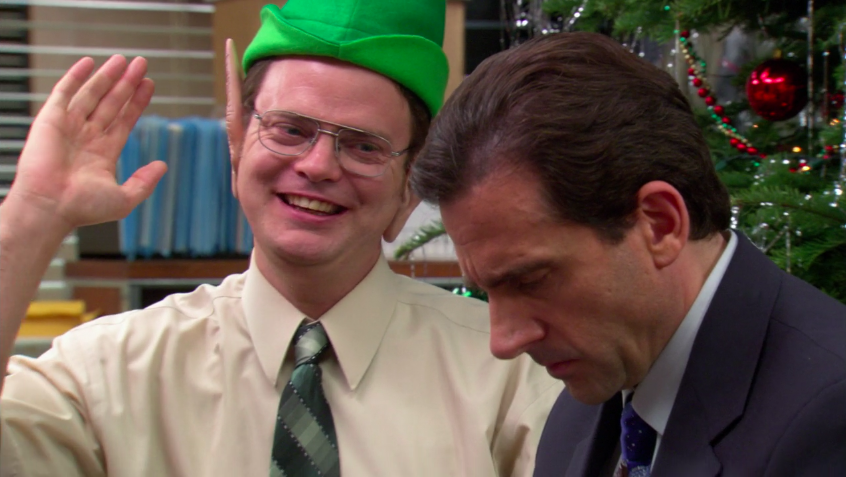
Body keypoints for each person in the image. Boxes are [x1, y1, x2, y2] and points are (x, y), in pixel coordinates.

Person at [0, 1, 562, 475]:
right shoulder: (108, 373)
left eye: (363, 146)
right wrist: (31, 217)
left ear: (409, 188)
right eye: (290, 130)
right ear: (237, 145)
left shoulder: (507, 378)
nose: (318, 166)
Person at [411, 31, 846, 476]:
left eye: (530, 280)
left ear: (660, 224)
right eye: (487, 290)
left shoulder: (828, 416)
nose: (503, 341)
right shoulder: (585, 403)